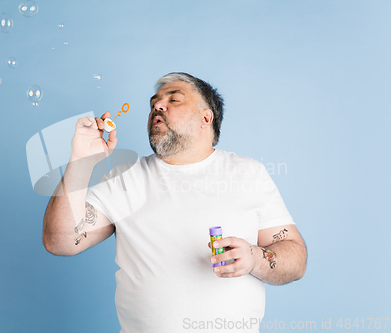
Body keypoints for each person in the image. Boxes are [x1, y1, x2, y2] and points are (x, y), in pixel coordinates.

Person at [43, 72, 307, 332]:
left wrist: (256, 258)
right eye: (154, 102)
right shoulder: (124, 179)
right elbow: (60, 241)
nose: (157, 106)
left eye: (174, 99)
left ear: (206, 117)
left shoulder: (248, 173)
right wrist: (81, 161)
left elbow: (296, 259)